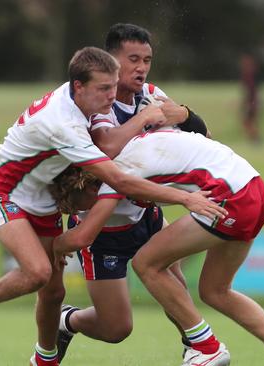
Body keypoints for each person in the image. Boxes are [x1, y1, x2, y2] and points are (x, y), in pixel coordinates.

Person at [0, 46, 226, 366]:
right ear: (78, 87)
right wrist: (185, 197)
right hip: (4, 193)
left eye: (113, 86)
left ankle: (45, 360)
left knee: (54, 294)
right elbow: (118, 181)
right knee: (37, 272)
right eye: (104, 88)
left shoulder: (84, 101)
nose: (111, 95)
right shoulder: (64, 125)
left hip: (45, 200)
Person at [50, 128, 264, 366]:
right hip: (255, 186)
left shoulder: (115, 178)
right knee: (215, 291)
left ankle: (206, 348)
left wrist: (52, 247)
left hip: (230, 197)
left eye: (78, 206)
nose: (83, 211)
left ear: (87, 185)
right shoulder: (137, 141)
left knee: (146, 264)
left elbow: (82, 237)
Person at [55, 23, 209, 362]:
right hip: (102, 229)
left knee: (177, 292)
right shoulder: (96, 101)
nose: (141, 68)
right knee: (116, 329)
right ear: (110, 60)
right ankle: (66, 320)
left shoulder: (151, 94)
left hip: (145, 215)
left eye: (147, 60)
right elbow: (107, 146)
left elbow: (200, 134)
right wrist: (146, 119)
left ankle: (199, 351)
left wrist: (183, 112)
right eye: (133, 59)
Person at [240, 53, 262, 144]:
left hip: (253, 102)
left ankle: (256, 140)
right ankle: (255, 140)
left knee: (248, 122)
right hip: (253, 101)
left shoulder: (250, 75)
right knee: (248, 122)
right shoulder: (249, 74)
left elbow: (252, 91)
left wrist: (249, 103)